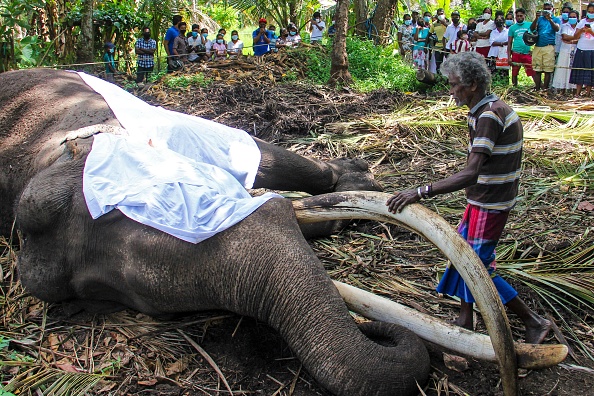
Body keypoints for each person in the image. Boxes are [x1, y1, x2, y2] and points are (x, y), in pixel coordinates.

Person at [386, 51, 552, 345]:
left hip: (491, 202)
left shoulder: (488, 116)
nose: (450, 91)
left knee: (478, 269)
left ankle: (534, 321)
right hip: (484, 199)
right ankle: (466, 318)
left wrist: (421, 191)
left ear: (473, 84)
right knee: (463, 255)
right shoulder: (486, 109)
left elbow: (471, 172)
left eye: (454, 85)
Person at [530, 2, 561, 90]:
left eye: (549, 8)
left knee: (548, 70)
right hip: (538, 46)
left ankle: (545, 89)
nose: (547, 10)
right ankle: (537, 88)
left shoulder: (556, 19)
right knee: (537, 69)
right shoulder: (539, 19)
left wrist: (550, 19)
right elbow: (532, 29)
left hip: (549, 47)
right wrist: (536, 18)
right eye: (545, 8)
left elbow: (557, 29)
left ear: (552, 9)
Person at [569, 2, 594, 97]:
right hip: (581, 49)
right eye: (589, 11)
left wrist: (591, 32)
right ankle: (577, 93)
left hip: (592, 50)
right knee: (579, 71)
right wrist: (581, 31)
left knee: (590, 72)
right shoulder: (582, 22)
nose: (591, 13)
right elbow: (575, 36)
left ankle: (587, 93)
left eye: (593, 12)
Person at [507, 8, 536, 87]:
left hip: (527, 53)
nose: (519, 17)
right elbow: (509, 43)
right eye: (517, 16)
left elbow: (536, 37)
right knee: (514, 72)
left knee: (532, 71)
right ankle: (514, 89)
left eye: (521, 16)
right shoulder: (512, 28)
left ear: (524, 16)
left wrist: (533, 50)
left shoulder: (529, 25)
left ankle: (538, 87)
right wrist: (509, 57)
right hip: (516, 53)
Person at [552, 10, 579, 93]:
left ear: (577, 18)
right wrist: (575, 38)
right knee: (563, 70)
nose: (572, 18)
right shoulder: (564, 26)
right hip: (564, 51)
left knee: (573, 70)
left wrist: (571, 40)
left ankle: (574, 90)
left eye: (574, 17)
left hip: (576, 51)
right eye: (570, 17)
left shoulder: (580, 27)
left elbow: (579, 39)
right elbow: (564, 37)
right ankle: (562, 90)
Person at [489, 15, 511, 84]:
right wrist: (502, 43)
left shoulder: (507, 31)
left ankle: (504, 86)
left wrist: (499, 43)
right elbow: (492, 42)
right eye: (497, 20)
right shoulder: (493, 32)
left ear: (504, 21)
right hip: (494, 54)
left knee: (504, 71)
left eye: (501, 20)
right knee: (494, 72)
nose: (499, 22)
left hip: (504, 54)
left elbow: (509, 42)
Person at [429, 8, 449, 73]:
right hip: (438, 47)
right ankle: (439, 79)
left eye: (442, 14)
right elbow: (429, 34)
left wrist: (445, 23)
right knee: (438, 64)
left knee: (449, 64)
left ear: (444, 14)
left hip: (448, 46)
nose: (441, 15)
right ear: (437, 15)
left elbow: (452, 29)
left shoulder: (449, 22)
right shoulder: (434, 24)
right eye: (439, 14)